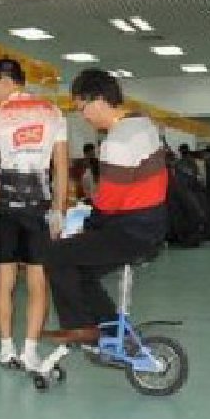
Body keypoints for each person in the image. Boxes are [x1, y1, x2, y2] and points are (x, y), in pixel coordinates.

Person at [40, 69, 168, 343]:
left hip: (130, 230)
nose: (83, 116)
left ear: (98, 100)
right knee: (81, 268)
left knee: (55, 254)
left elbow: (109, 203)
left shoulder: (117, 141)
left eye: (82, 108)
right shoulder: (143, 123)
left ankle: (80, 327)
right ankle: (111, 333)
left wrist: (86, 226)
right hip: (154, 224)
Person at [0, 58, 68, 371]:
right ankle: (30, 350)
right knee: (38, 282)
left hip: (5, 207)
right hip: (38, 207)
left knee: (4, 281)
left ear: (5, 80)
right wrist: (59, 210)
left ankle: (7, 348)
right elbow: (61, 166)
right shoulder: (53, 113)